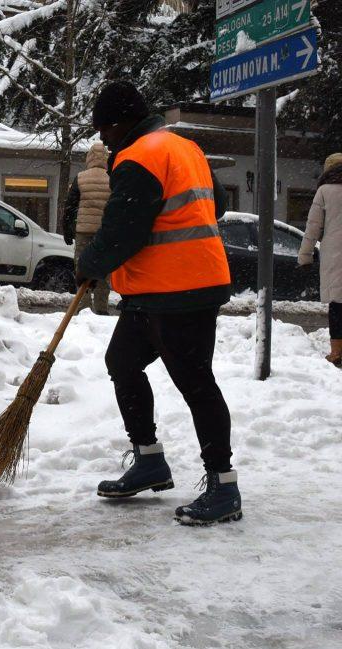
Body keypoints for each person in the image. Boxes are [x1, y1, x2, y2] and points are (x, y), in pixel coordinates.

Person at [76, 81, 240, 526]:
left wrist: (88, 263)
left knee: (195, 383)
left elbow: (122, 230)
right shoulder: (184, 148)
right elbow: (217, 205)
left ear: (122, 121)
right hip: (156, 290)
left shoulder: (139, 156)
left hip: (181, 292)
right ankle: (150, 460)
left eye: (105, 128)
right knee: (123, 362)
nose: (103, 138)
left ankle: (223, 485)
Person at [298, 153, 342, 367]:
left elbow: (312, 228)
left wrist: (305, 256)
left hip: (336, 256)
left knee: (337, 305)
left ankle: (337, 352)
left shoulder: (324, 191)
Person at [62, 141, 113, 315]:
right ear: (106, 158)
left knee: (82, 268)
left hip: (83, 231)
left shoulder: (81, 177)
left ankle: (84, 307)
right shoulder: (112, 178)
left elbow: (70, 207)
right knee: (103, 270)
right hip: (104, 233)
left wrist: (67, 230)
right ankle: (101, 308)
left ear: (89, 158)